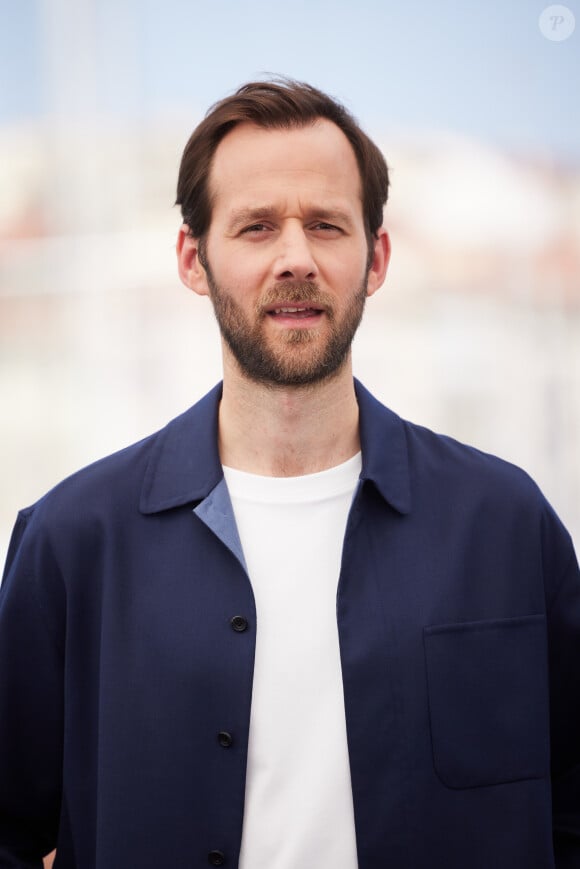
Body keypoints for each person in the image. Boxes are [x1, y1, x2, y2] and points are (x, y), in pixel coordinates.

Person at [0, 78, 579, 869]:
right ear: (194, 259)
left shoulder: (507, 523)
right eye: (257, 226)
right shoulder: (72, 542)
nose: (296, 258)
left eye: (327, 225)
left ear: (374, 257)